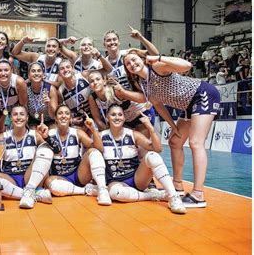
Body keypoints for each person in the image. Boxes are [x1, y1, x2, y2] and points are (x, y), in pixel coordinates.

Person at [123, 49, 221, 208]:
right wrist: (172, 125)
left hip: (203, 94)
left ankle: (198, 195)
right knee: (175, 141)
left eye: (134, 60)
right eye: (128, 63)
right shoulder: (143, 84)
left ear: (142, 59)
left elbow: (187, 65)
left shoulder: (157, 66)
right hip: (188, 104)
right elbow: (158, 105)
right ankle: (177, 186)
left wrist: (159, 57)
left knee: (196, 143)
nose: (132, 64)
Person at [102, 104, 186, 214]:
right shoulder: (100, 136)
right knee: (116, 193)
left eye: (120, 114)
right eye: (113, 115)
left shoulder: (133, 135)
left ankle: (174, 197)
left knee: (152, 156)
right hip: (115, 181)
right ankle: (154, 195)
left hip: (137, 179)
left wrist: (150, 128)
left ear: (124, 118)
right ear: (107, 118)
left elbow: (158, 149)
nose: (117, 117)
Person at [0, 105, 59, 209]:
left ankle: (29, 189)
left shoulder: (35, 135)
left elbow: (58, 151)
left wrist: (47, 137)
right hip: (10, 178)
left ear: (27, 118)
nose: (18, 117)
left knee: (46, 149)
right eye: (15, 114)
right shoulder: (2, 137)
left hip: (30, 177)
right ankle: (32, 194)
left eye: (22, 114)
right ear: (11, 118)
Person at [44, 105, 112, 205]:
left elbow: (100, 149)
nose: (63, 116)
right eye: (60, 113)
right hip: (59, 177)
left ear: (70, 118)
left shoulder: (77, 133)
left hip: (78, 175)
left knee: (93, 151)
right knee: (51, 184)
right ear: (55, 118)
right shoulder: (48, 134)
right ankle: (85, 190)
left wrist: (93, 129)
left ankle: (102, 190)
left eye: (67, 113)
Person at [57, 60, 93, 128]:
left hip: (95, 116)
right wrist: (71, 120)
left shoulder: (84, 75)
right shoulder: (60, 91)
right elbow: (60, 111)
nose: (65, 70)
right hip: (79, 123)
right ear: (59, 73)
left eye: (68, 67)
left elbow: (106, 70)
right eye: (62, 69)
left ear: (73, 69)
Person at [26, 62, 59, 127]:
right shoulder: (26, 88)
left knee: (52, 132)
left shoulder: (51, 89)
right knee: (33, 135)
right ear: (29, 75)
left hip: (50, 121)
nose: (36, 73)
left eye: (39, 71)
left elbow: (54, 116)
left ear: (43, 75)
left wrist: (49, 104)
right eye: (33, 71)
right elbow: (24, 110)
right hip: (33, 121)